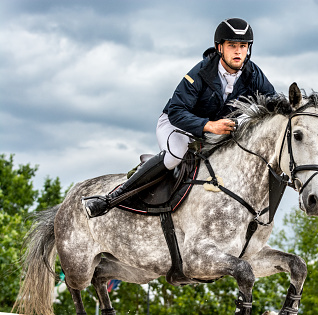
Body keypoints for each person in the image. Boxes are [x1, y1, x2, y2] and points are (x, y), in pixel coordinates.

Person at [83, 18, 277, 218]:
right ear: (220, 47)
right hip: (176, 124)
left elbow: (273, 100)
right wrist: (209, 125)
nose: (238, 52)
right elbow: (177, 111)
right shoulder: (201, 73)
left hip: (211, 132)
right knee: (177, 151)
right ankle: (113, 198)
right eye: (232, 46)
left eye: (243, 46)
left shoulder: (252, 73)